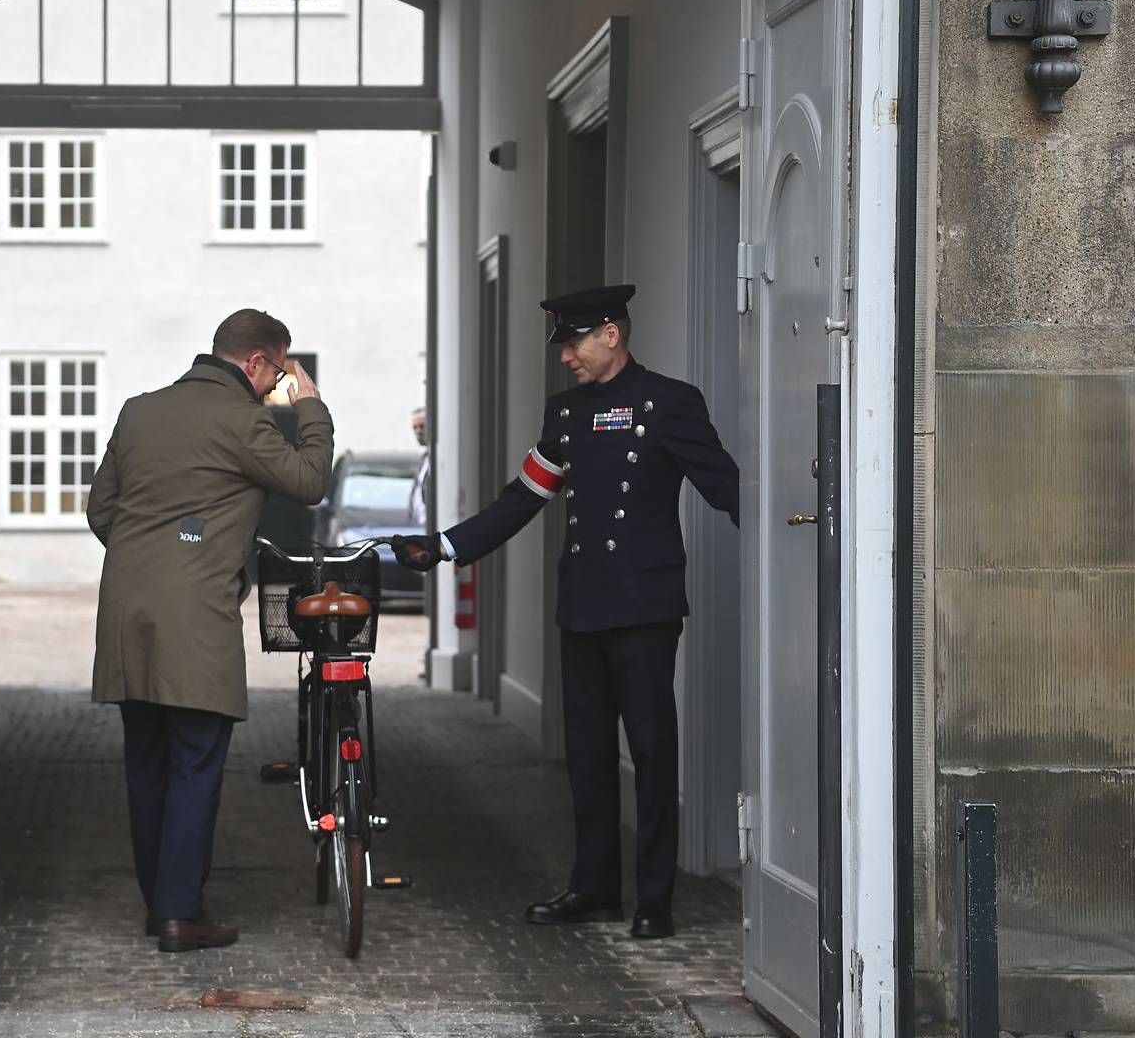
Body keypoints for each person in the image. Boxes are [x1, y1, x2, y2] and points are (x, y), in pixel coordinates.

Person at [392, 284, 737, 940]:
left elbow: (723, 485)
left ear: (612, 333)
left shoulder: (670, 403)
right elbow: (523, 498)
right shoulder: (567, 415)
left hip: (644, 607)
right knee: (586, 756)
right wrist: (443, 547)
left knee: (652, 750)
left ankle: (655, 898)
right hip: (583, 603)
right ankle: (594, 886)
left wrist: (796, 550)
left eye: (574, 342)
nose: (565, 357)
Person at [87, 309, 333, 953]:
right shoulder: (242, 418)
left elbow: (101, 509)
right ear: (255, 362)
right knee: (195, 762)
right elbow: (309, 481)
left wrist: (151, 558)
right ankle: (178, 912)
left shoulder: (139, 410)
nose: (277, 386)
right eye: (277, 374)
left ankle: (158, 902)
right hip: (194, 617)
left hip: (125, 610)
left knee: (146, 763)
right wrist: (310, 405)